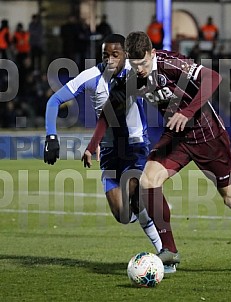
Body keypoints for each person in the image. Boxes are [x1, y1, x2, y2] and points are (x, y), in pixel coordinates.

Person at [88, 31, 231, 265]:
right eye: (134, 63)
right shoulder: (130, 77)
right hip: (177, 138)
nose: (139, 69)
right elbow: (110, 110)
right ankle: (169, 250)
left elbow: (212, 78)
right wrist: (92, 145)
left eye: (143, 63)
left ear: (152, 53)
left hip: (207, 136)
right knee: (148, 181)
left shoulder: (169, 63)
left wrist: (186, 112)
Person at [44, 34, 165, 264]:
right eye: (105, 55)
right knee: (122, 215)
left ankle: (164, 252)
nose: (110, 59)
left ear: (125, 55)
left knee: (134, 189)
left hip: (135, 146)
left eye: (115, 55)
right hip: (109, 151)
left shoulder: (135, 70)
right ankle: (142, 210)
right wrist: (51, 136)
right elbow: (54, 101)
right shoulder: (91, 76)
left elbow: (160, 73)